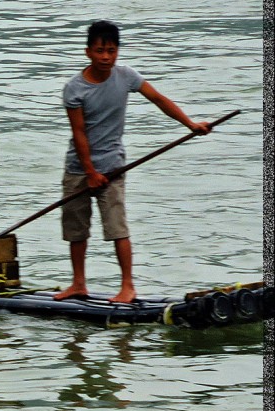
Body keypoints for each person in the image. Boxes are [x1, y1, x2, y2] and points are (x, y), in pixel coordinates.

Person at [54, 20, 211, 303]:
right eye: (100, 51)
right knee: (76, 229)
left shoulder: (126, 76)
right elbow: (78, 134)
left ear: (117, 52)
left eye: (111, 51)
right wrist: (89, 172)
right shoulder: (74, 89)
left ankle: (128, 286)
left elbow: (159, 99)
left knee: (118, 228)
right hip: (78, 168)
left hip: (113, 166)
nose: (106, 57)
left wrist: (189, 124)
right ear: (88, 52)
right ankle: (78, 284)